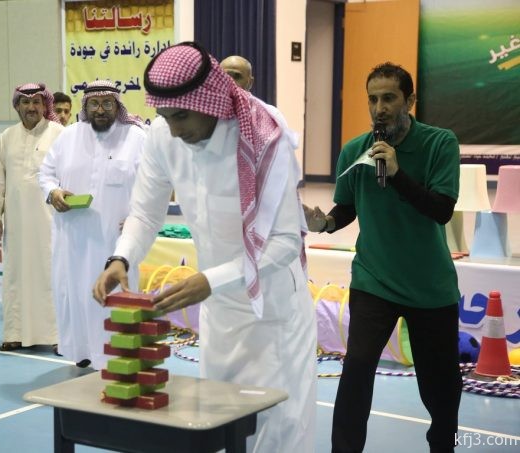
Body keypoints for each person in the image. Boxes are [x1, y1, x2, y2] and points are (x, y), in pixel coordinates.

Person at [92, 42, 317, 452]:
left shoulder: (264, 136)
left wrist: (210, 280)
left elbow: (285, 241)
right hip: (218, 311)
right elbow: (144, 214)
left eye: (181, 116)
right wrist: (121, 257)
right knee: (224, 425)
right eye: (165, 117)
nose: (175, 130)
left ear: (209, 99)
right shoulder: (163, 136)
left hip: (273, 312)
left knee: (277, 430)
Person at [305, 62, 462, 453]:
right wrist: (325, 223)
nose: (380, 108)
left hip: (430, 286)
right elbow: (346, 208)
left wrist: (396, 173)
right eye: (373, 99)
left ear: (410, 101)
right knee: (356, 369)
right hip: (373, 279)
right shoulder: (354, 150)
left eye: (389, 98)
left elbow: (441, 210)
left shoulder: (440, 143)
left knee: (440, 388)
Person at [38, 80, 146, 369]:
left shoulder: (136, 138)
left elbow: (154, 184)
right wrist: (53, 192)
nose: (100, 110)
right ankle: (82, 353)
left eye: (107, 103)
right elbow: (45, 174)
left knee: (114, 298)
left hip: (115, 241)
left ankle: (115, 357)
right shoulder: (69, 136)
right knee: (75, 294)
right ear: (85, 106)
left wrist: (138, 215)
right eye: (94, 104)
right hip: (73, 238)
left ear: (117, 105)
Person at [0, 82, 63, 352]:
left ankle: (57, 336)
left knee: (50, 274)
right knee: (15, 276)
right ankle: (15, 333)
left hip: (50, 221)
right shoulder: (7, 137)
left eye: (36, 102)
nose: (31, 107)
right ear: (17, 106)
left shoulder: (59, 133)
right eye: (26, 102)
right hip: (17, 222)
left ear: (44, 105)